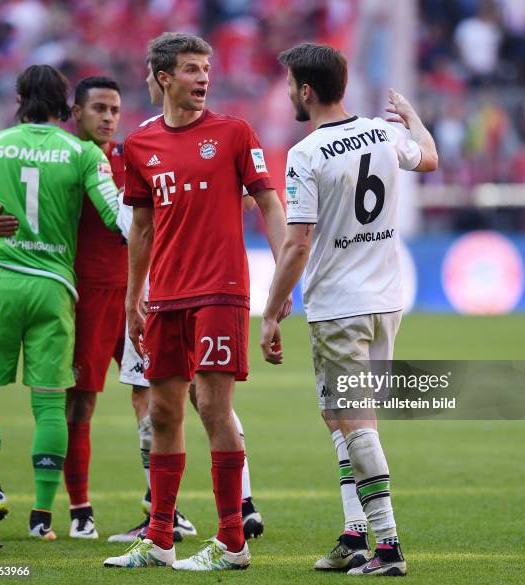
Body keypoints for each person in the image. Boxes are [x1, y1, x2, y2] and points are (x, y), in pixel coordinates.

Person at [0, 75, 197, 543]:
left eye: (115, 110)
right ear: (75, 113)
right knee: (80, 401)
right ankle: (80, 510)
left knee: (152, 397)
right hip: (86, 297)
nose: (108, 118)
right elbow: (22, 204)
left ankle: (163, 508)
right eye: (98, 108)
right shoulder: (67, 158)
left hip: (138, 293)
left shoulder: (133, 155)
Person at [103, 32, 288, 571]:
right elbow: (140, 227)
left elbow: (270, 207)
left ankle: (232, 541)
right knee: (162, 413)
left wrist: (282, 284)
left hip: (220, 289)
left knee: (212, 406)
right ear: (164, 77)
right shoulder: (139, 146)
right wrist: (134, 297)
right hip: (163, 297)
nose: (203, 78)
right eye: (190, 69)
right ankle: (160, 538)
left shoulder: (233, 134)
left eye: (206, 68)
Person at [260, 43, 438, 576]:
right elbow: (427, 157)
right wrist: (416, 119)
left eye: (291, 84)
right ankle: (355, 535)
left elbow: (297, 242)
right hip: (386, 300)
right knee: (340, 419)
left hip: (339, 306)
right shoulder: (385, 134)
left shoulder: (306, 153)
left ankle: (387, 546)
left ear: (306, 90)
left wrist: (270, 311)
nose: (289, 92)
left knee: (354, 423)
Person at [0, 64, 121, 541]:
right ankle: (41, 518)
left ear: (18, 98)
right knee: (51, 402)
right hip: (55, 287)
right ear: (64, 108)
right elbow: (116, 217)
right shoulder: (81, 152)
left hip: (2, 278)